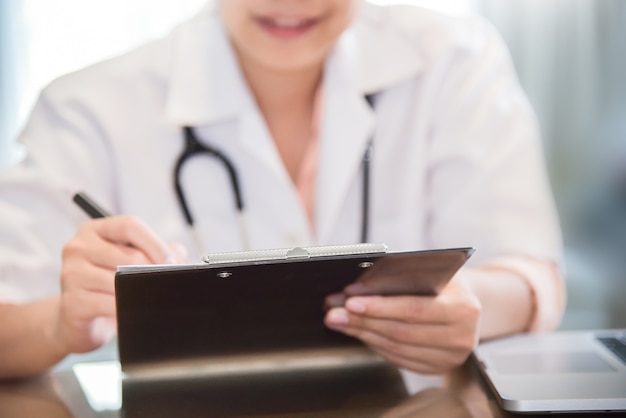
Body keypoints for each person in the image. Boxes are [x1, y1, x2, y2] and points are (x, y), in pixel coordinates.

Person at [0, 0, 565, 380]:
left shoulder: (455, 61)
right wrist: (58, 325)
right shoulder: (88, 107)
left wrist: (474, 308)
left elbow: (534, 275)